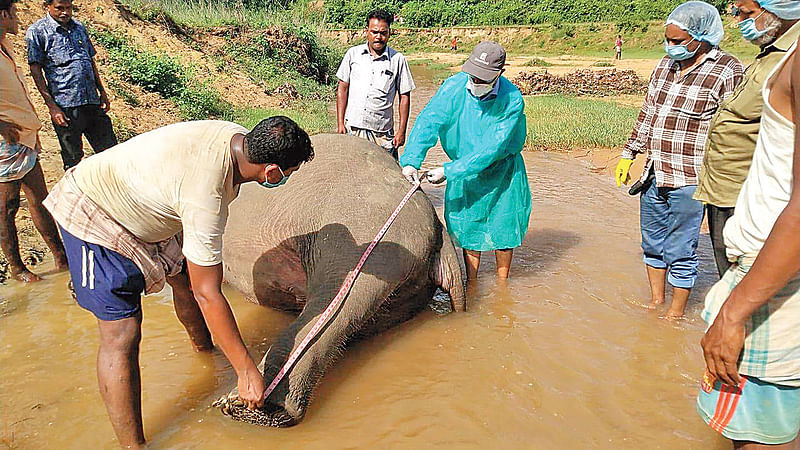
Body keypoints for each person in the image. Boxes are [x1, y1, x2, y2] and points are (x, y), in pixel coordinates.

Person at [43, 117, 314, 448]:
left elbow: (196, 283)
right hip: (95, 211)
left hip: (149, 202)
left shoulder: (233, 137)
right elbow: (208, 294)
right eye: (290, 172)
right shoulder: (206, 196)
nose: (286, 178)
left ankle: (204, 352)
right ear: (272, 172)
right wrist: (245, 370)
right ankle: (134, 445)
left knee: (184, 276)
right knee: (122, 332)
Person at [697, 32, 800, 449]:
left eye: (743, 9)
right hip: (776, 271)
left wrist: (732, 314)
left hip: (774, 280)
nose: (739, 18)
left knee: (757, 435)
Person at [614, 1, 744, 318]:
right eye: (668, 40)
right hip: (654, 172)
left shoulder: (728, 70)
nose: (670, 47)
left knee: (682, 249)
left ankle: (675, 313)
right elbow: (649, 113)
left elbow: (737, 128)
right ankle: (657, 301)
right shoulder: (665, 66)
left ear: (701, 37)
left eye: (676, 41)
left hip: (691, 178)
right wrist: (629, 153)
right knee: (652, 242)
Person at [399, 41, 531, 280]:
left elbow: (492, 148)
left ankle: (502, 286)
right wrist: (411, 159)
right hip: (464, 174)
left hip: (502, 174)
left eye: (482, 79)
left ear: (499, 74)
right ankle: (472, 282)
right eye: (473, 76)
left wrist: (448, 171)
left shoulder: (512, 100)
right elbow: (429, 121)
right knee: (470, 230)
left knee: (503, 230)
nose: (475, 83)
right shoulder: (454, 87)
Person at [695, 0, 800, 278]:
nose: (739, 21)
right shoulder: (769, 53)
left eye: (747, 14)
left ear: (779, 11)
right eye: (737, 13)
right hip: (725, 187)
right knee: (728, 270)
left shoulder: (791, 57)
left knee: (743, 275)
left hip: (749, 194)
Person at [0, 0, 67, 283]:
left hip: (25, 135)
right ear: (2, 15)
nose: (17, 19)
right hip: (7, 138)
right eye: (14, 14)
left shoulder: (5, 46)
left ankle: (61, 257)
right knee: (7, 205)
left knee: (40, 199)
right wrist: (3, 127)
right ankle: (17, 269)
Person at [26, 0, 117, 170]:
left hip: (92, 101)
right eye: (59, 8)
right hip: (66, 106)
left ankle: (112, 193)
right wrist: (52, 107)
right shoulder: (38, 31)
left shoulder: (79, 28)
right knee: (73, 158)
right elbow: (36, 70)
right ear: (48, 7)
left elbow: (89, 62)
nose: (65, 13)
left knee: (110, 152)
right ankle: (74, 194)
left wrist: (102, 91)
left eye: (69, 8)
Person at [336, 9, 415, 160]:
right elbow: (342, 88)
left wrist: (401, 131)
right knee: (352, 174)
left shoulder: (398, 60)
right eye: (374, 32)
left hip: (382, 134)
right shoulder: (353, 54)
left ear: (389, 33)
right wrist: (340, 123)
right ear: (366, 31)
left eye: (383, 33)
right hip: (353, 129)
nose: (378, 37)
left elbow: (404, 96)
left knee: (387, 178)